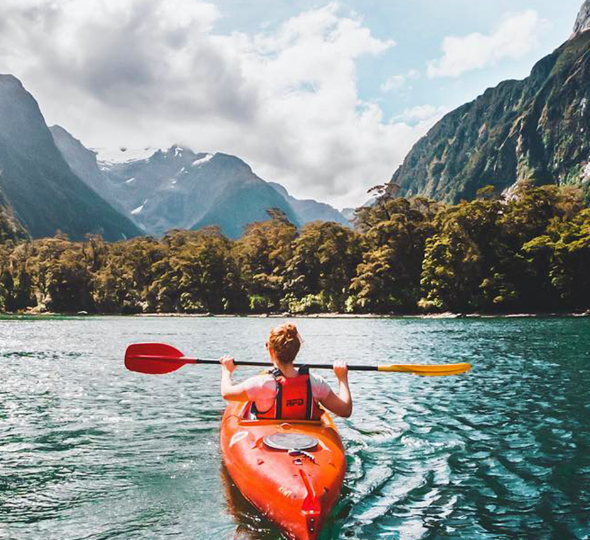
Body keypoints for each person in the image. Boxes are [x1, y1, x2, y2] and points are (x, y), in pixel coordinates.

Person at [219, 323, 353, 419]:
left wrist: (226, 371)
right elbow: (345, 410)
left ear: (271, 350)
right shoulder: (316, 383)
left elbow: (226, 393)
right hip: (306, 439)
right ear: (296, 350)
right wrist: (342, 378)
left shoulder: (260, 384)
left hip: (269, 441)